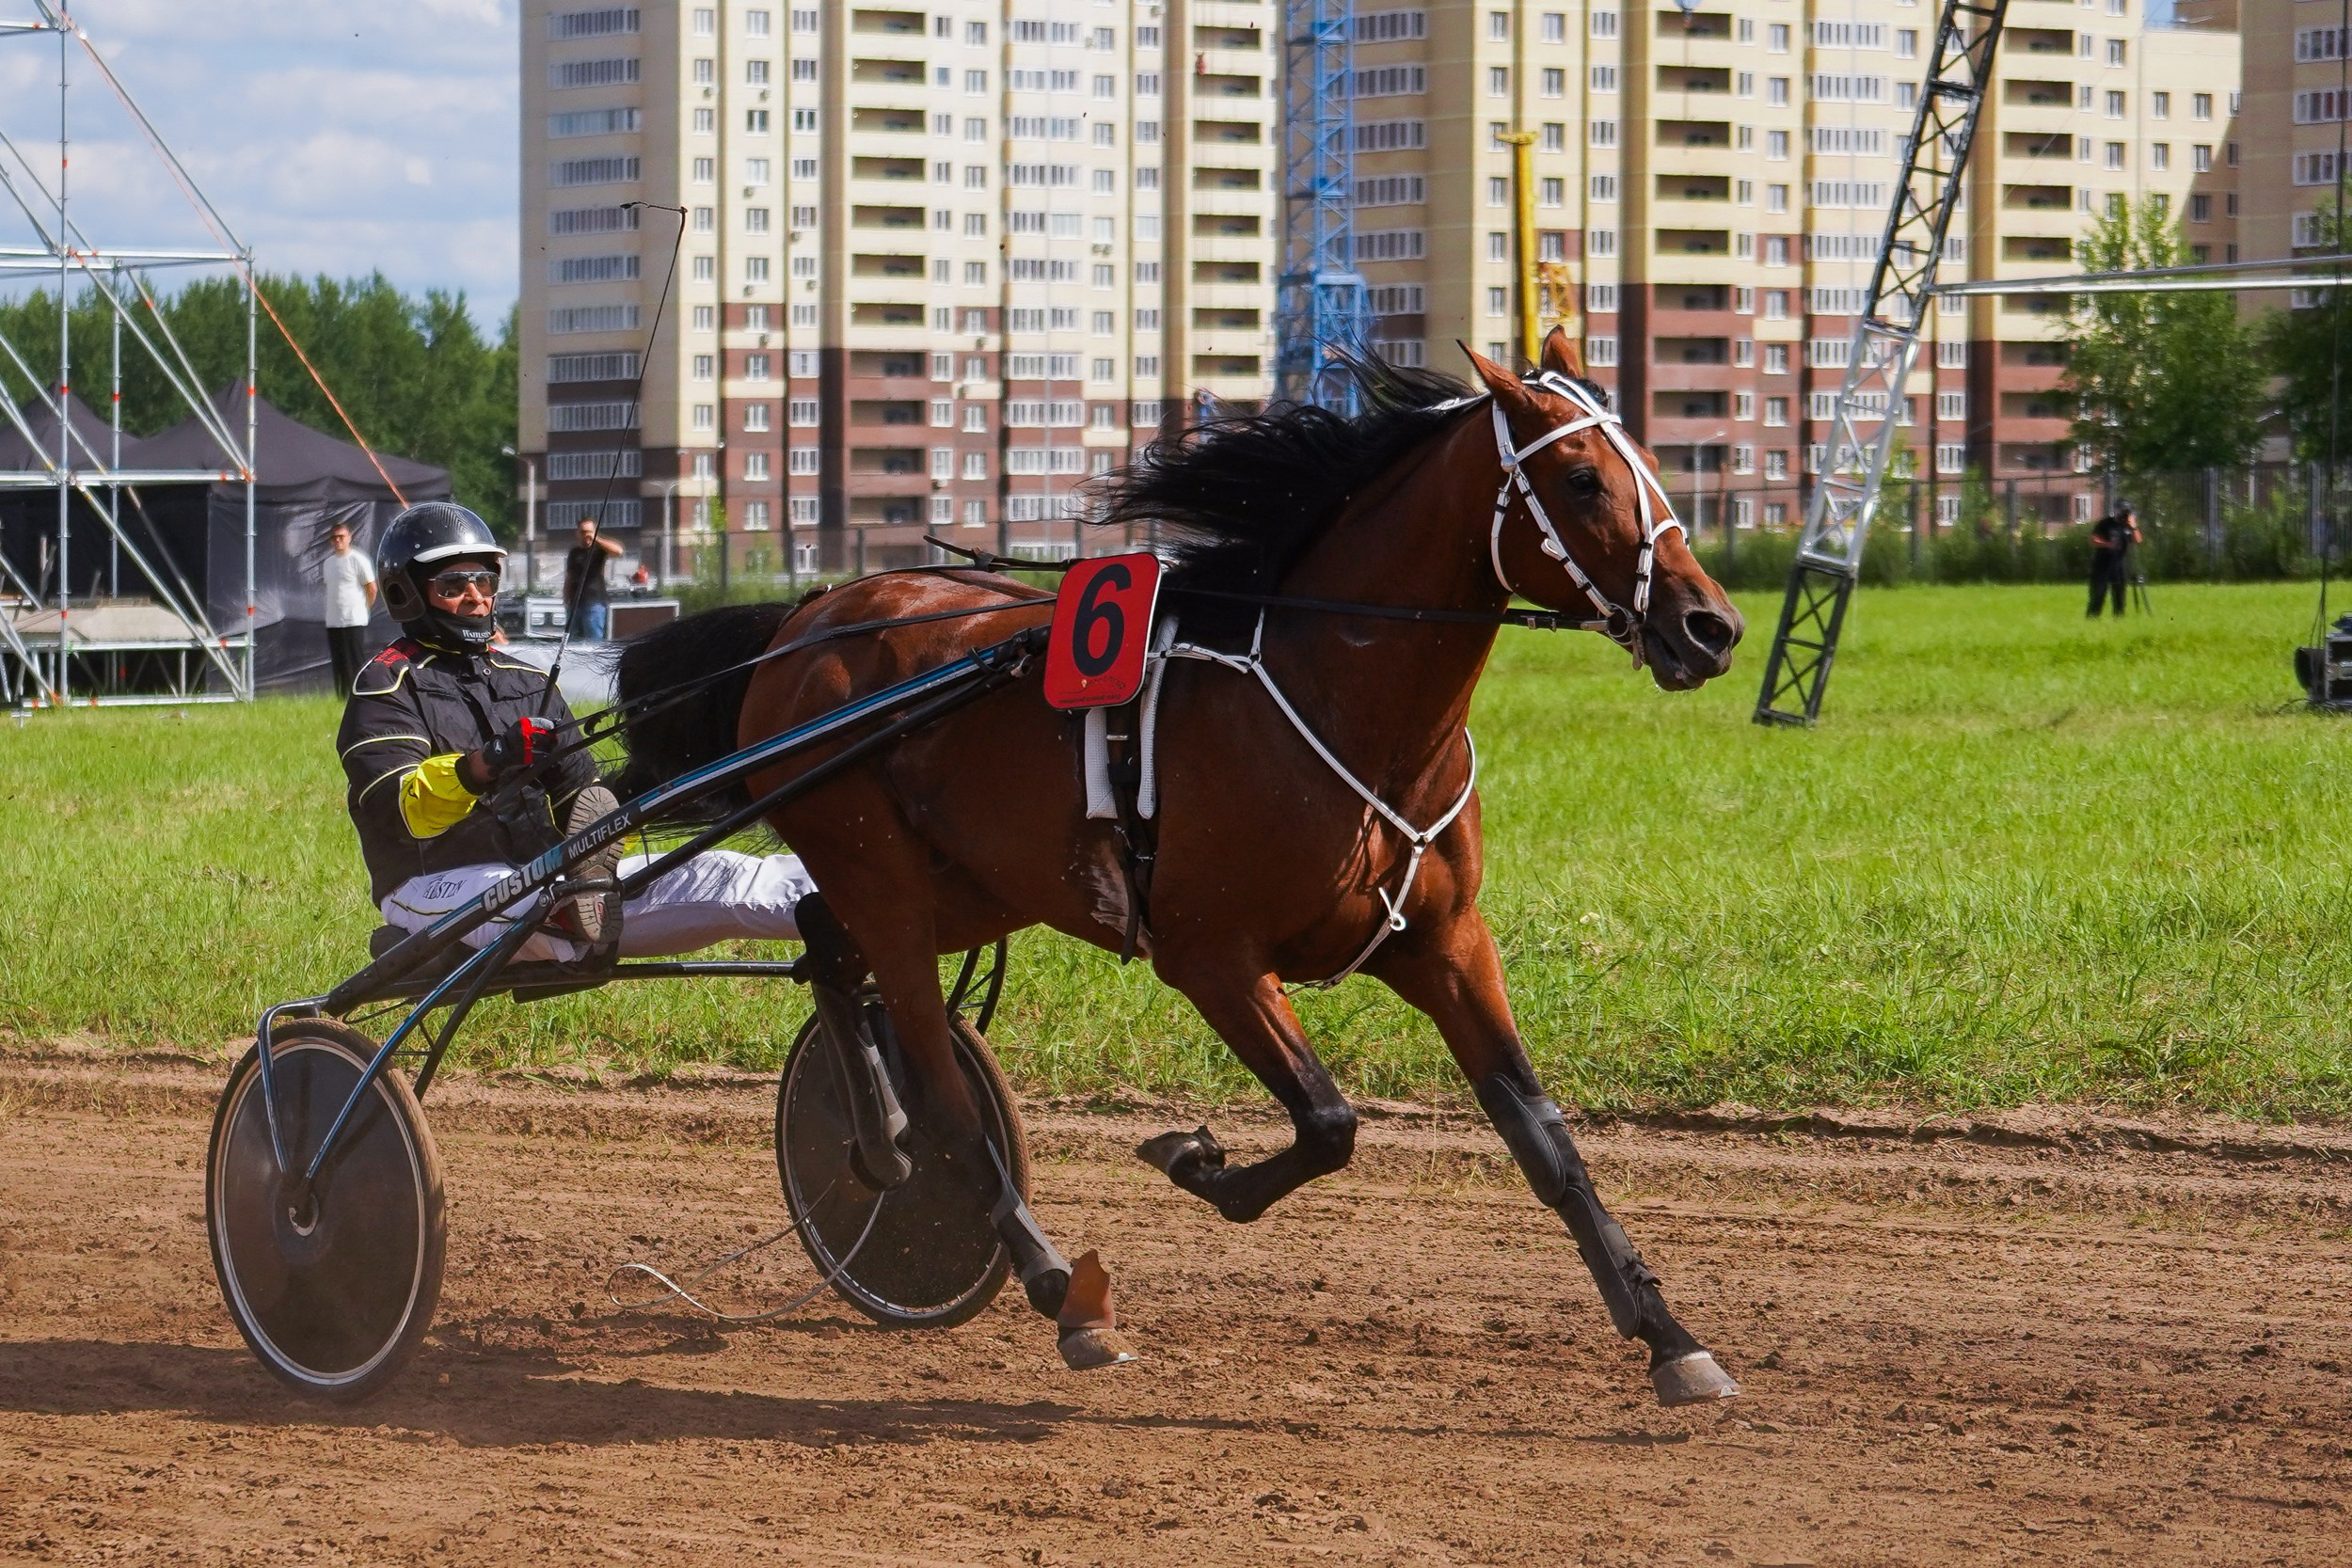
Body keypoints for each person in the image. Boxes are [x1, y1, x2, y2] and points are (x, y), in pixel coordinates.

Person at [342, 501, 817, 964]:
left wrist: (641, 787)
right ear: (406, 592)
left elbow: (583, 804)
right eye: (453, 584)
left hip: (554, 875)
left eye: (485, 580)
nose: (477, 597)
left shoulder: (526, 681)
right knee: (539, 904)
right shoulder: (385, 684)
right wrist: (486, 763)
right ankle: (574, 912)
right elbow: (395, 809)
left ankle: (846, 894)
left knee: (727, 874)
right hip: (432, 883)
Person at [321, 521, 377, 696]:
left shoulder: (358, 560)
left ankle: (359, 694)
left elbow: (371, 588)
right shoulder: (328, 563)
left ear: (349, 538)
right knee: (339, 660)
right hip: (333, 620)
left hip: (354, 619)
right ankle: (342, 695)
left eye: (341, 537)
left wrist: (364, 609)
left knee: (355, 659)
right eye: (334, 538)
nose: (338, 541)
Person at [564, 518, 623, 641]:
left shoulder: (599, 550)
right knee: (573, 642)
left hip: (594, 602)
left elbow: (618, 551)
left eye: (589, 531)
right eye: (583, 531)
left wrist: (596, 538)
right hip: (575, 604)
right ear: (578, 533)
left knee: (593, 640)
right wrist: (566, 599)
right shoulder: (574, 552)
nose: (586, 535)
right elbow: (569, 576)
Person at [2088, 499, 2140, 618]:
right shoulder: (2105, 523)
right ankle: (2092, 618)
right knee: (2098, 596)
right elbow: (2093, 539)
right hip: (2103, 566)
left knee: (2120, 597)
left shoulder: (2128, 526)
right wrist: (2107, 544)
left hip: (2120, 566)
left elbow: (2138, 541)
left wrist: (2134, 527)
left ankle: (2119, 619)